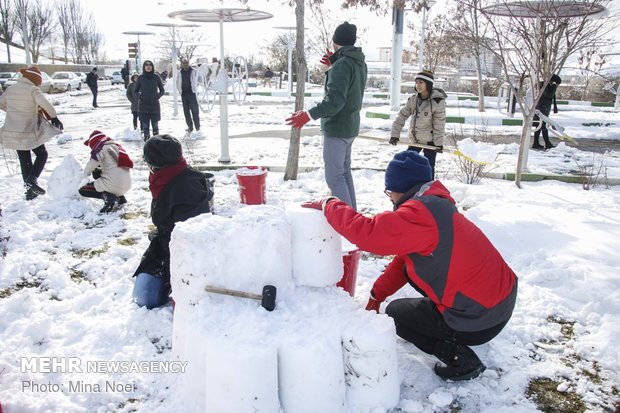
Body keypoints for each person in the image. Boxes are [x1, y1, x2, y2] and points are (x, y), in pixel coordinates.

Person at [302, 150, 518, 381]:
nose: (390, 198)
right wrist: (376, 295)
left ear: (400, 188)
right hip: (498, 303)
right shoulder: (435, 207)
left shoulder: (420, 214)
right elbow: (405, 259)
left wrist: (330, 204)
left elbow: (368, 234)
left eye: (389, 191)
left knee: (397, 315)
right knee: (405, 307)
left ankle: (460, 359)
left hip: (478, 318)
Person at [286, 21, 367, 210]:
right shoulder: (359, 62)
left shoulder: (342, 65)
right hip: (350, 126)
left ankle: (348, 222)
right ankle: (352, 214)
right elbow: (349, 87)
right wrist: (336, 62)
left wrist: (308, 115)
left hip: (338, 128)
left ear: (335, 41)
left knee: (335, 177)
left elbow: (335, 102)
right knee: (344, 173)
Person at [132, 134, 214, 309]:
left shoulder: (186, 190)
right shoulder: (166, 176)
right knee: (142, 297)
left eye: (146, 160)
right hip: (165, 242)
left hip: (181, 252)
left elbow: (189, 242)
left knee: (146, 298)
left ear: (156, 163)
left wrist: (173, 276)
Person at [0, 66, 64, 200]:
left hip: (12, 131)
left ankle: (30, 191)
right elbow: (45, 103)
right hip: (28, 130)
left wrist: (12, 110)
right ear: (33, 79)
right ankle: (32, 180)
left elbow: (1, 103)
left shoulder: (11, 89)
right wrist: (54, 117)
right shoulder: (32, 90)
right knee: (42, 154)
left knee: (25, 159)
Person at [390, 70, 446, 179]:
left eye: (421, 82)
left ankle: (428, 190)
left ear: (428, 84)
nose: (418, 85)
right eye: (417, 82)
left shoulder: (437, 102)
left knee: (429, 168)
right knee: (407, 163)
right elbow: (401, 117)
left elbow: (439, 124)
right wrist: (394, 135)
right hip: (415, 140)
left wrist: (438, 144)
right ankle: (408, 187)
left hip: (430, 142)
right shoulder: (413, 100)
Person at [79, 130, 133, 213]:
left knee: (83, 190)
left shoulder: (101, 147)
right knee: (97, 173)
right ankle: (120, 198)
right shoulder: (116, 146)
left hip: (114, 185)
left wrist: (82, 175)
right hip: (126, 185)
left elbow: (92, 163)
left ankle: (109, 197)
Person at [135, 60, 165, 141]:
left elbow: (162, 90)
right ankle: (147, 146)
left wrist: (157, 96)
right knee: (145, 128)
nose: (148, 66)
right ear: (144, 67)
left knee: (155, 127)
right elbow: (136, 91)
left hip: (154, 106)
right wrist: (140, 96)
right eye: (146, 65)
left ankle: (157, 145)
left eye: (150, 65)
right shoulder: (141, 78)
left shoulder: (156, 77)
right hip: (143, 106)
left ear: (152, 66)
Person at [532, 74, 561, 150]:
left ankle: (536, 143)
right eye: (557, 84)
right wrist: (554, 86)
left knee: (539, 125)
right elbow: (549, 95)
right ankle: (547, 143)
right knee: (543, 125)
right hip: (541, 108)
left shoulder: (546, 85)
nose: (557, 86)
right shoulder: (543, 86)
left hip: (543, 108)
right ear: (553, 82)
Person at [176, 58, 200, 134]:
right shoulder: (179, 73)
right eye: (184, 63)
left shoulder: (194, 71)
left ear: (188, 63)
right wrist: (180, 91)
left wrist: (195, 88)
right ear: (182, 64)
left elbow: (198, 81)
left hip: (192, 94)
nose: (185, 64)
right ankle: (190, 127)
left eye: (186, 63)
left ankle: (197, 127)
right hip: (184, 94)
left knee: (195, 111)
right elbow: (177, 82)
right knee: (186, 112)